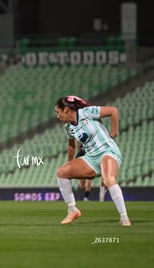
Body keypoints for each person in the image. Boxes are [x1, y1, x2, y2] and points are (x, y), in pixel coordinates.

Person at [54, 95, 131, 226]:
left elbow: (113, 111)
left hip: (108, 151)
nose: (57, 116)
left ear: (66, 109)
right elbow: (72, 145)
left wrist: (114, 132)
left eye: (58, 112)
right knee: (61, 173)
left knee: (108, 179)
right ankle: (72, 210)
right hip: (91, 158)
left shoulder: (86, 112)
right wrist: (69, 162)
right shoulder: (69, 127)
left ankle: (124, 217)